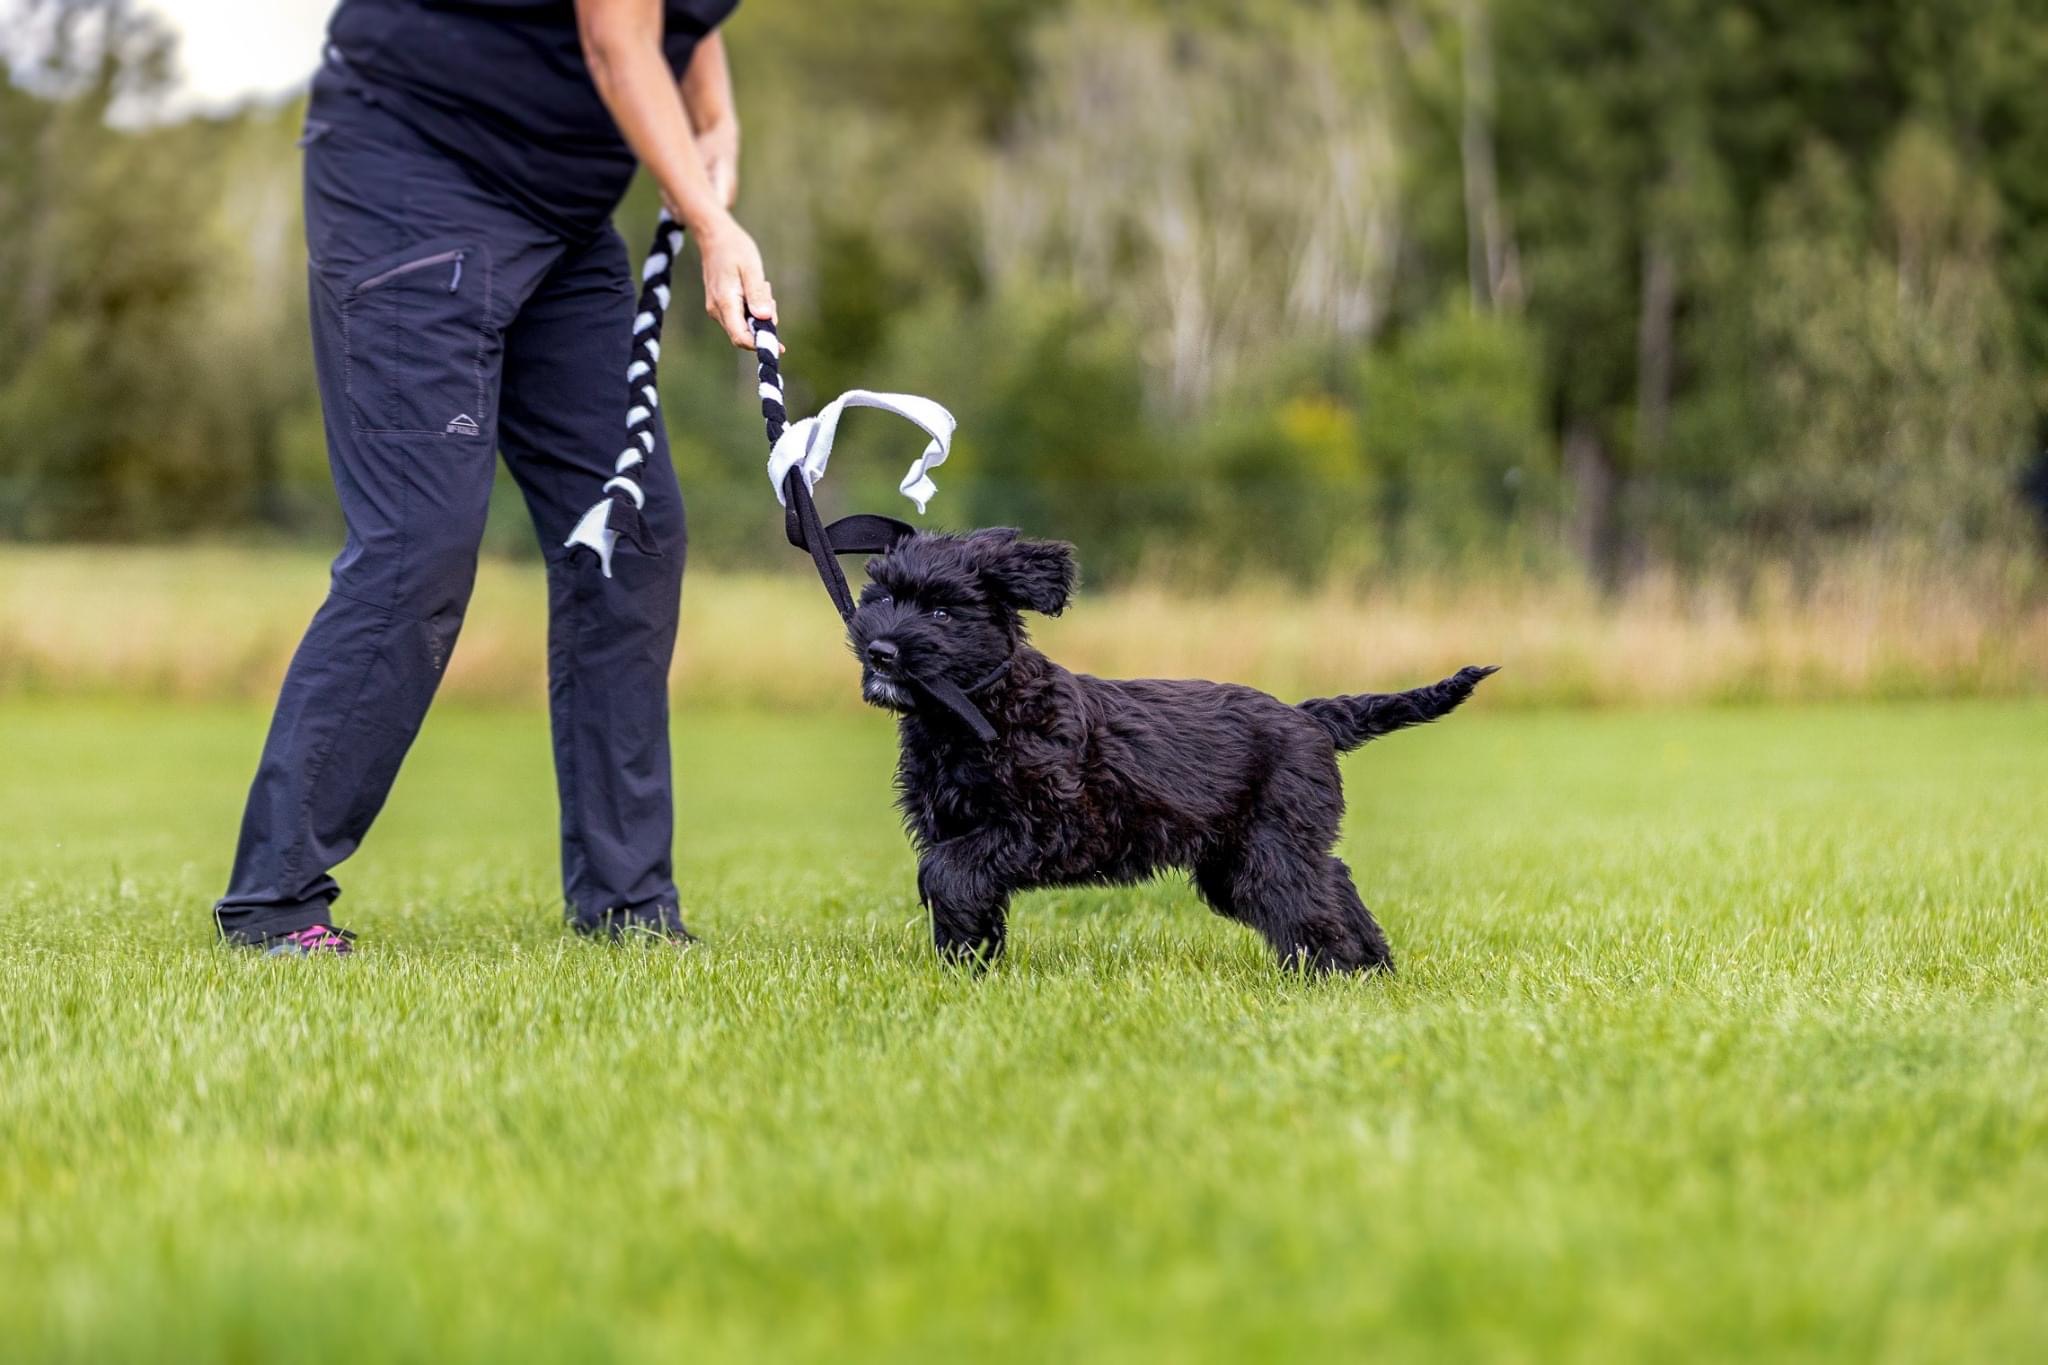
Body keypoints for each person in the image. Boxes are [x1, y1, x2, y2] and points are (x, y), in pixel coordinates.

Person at [213, 0, 772, 955]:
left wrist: (713, 120)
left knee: (628, 531)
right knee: (417, 542)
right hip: (415, 174)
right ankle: (275, 902)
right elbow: (615, 35)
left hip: (560, 216)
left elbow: (685, 19)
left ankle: (627, 905)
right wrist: (711, 219)